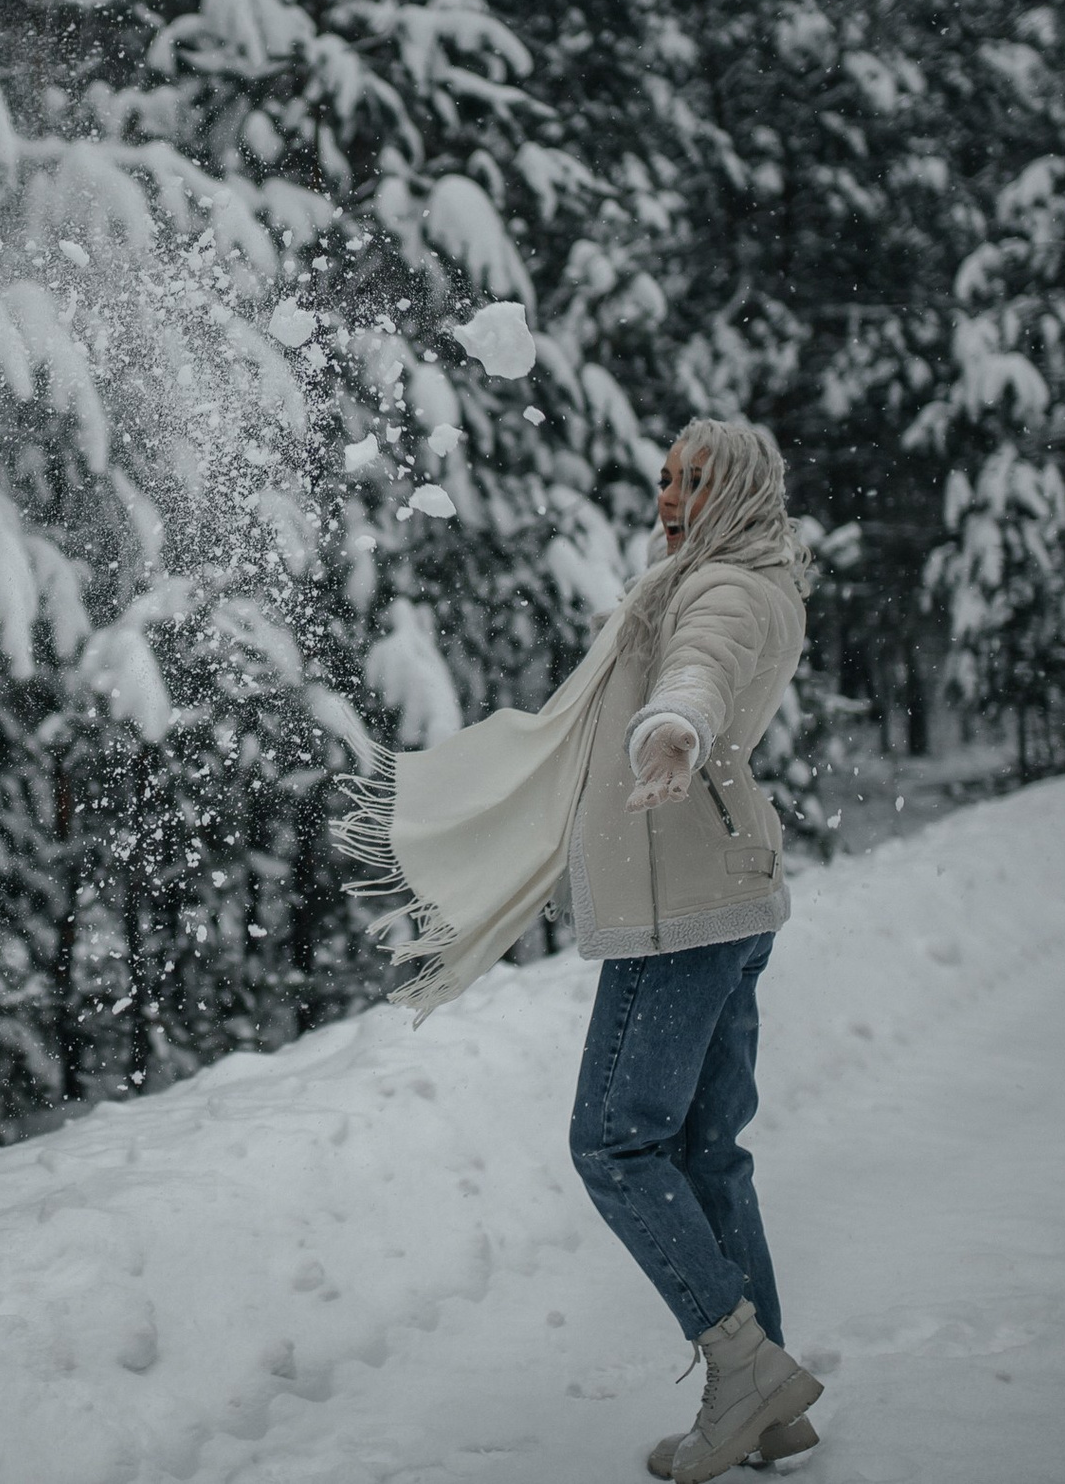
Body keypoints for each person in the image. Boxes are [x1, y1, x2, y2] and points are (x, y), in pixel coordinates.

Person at [334, 417, 818, 1483]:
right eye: (667, 477)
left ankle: (741, 1367)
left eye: (697, 481)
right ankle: (769, 1401)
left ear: (742, 490)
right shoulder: (736, 578)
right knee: (707, 1152)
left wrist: (672, 730)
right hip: (725, 897)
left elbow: (696, 675)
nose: (671, 497)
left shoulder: (723, 590)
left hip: (681, 910)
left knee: (615, 1143)